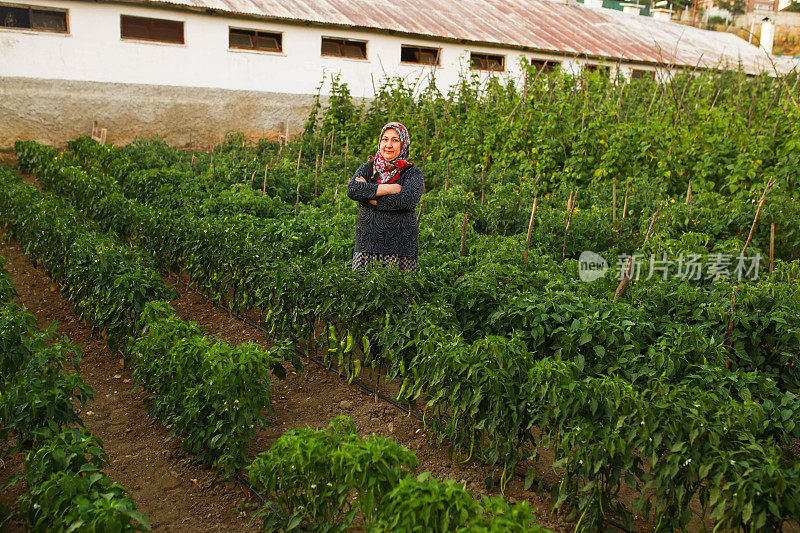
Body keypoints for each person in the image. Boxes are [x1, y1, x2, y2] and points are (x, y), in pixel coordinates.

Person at [346, 122, 424, 273]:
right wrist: (390, 188)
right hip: (366, 246)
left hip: (401, 249)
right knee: (363, 292)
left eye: (395, 140)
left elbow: (405, 201)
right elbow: (353, 190)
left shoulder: (412, 173)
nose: (388, 144)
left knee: (397, 293)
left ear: (403, 145)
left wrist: (369, 195)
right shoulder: (368, 168)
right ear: (380, 142)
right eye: (385, 139)